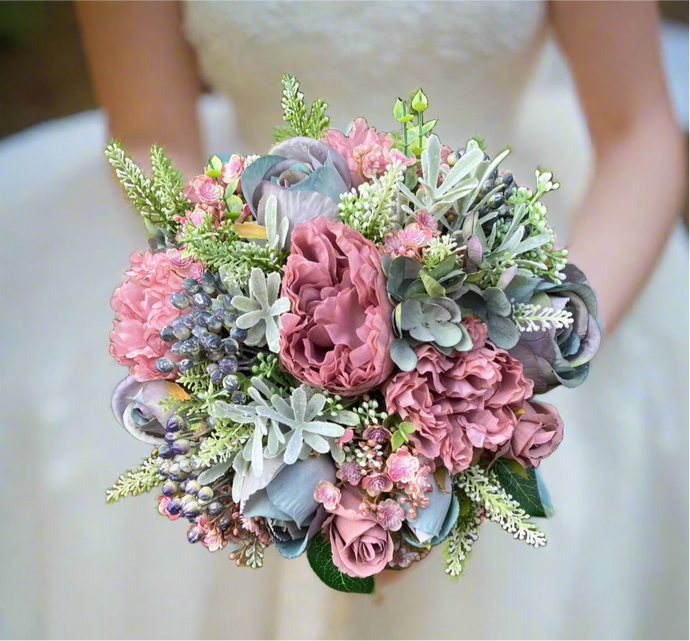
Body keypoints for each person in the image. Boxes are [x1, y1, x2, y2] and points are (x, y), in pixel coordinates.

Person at [1, 0, 687, 639]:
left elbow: (639, 133)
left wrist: (516, 368)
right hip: (247, 261)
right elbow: (151, 132)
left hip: (506, 279)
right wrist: (248, 332)